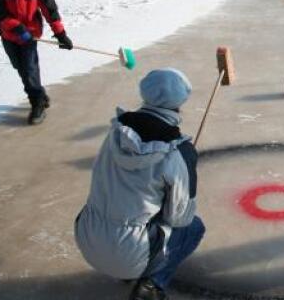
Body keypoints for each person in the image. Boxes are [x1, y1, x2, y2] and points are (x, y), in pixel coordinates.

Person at [74, 68, 205, 300]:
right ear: (181, 100)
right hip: (131, 252)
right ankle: (152, 284)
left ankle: (127, 264)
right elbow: (179, 219)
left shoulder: (116, 132)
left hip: (87, 238)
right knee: (193, 227)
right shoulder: (179, 152)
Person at [0, 0, 73, 125]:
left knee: (29, 69)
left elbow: (49, 9)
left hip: (31, 35)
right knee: (19, 67)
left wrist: (60, 34)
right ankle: (40, 94)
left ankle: (37, 104)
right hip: (9, 35)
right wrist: (17, 27)